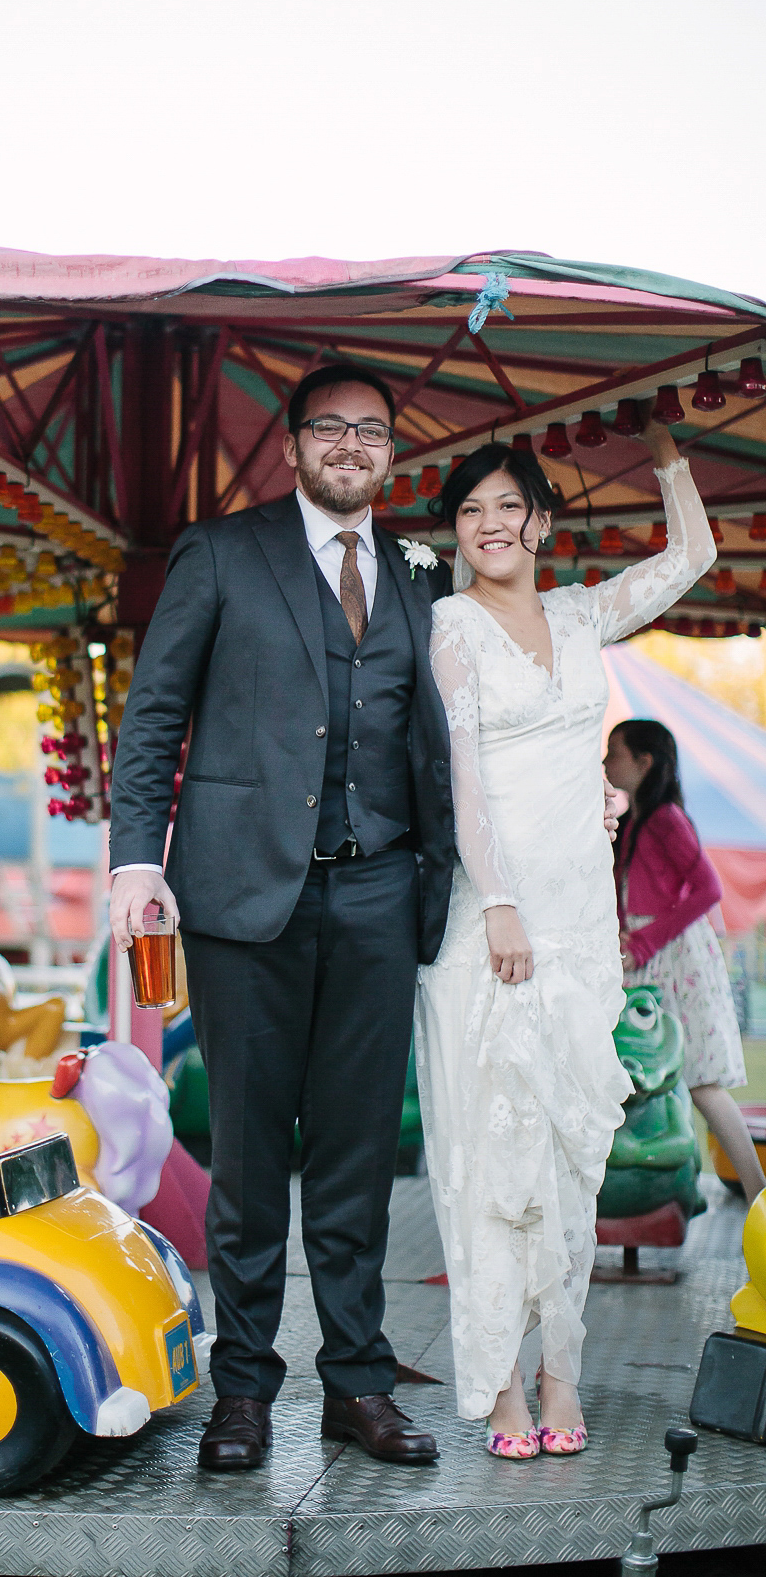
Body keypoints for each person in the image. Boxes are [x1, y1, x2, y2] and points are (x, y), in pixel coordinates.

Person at [107, 364, 455, 1473]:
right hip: (241, 895)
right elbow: (156, 709)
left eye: (372, 432)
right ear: (293, 446)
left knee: (356, 1160)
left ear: (390, 457)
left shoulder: (419, 571)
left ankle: (356, 1384)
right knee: (251, 1164)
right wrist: (131, 862)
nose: (352, 445)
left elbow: (450, 728)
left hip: (379, 896)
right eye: (331, 428)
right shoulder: (222, 551)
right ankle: (242, 1395)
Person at [414, 416, 716, 1460]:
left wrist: (668, 454)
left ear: (541, 521)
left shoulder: (586, 616)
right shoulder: (452, 623)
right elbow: (462, 773)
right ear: (461, 532)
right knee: (491, 1155)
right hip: (493, 917)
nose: (491, 524)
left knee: (571, 1160)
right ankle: (499, 1388)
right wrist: (495, 898)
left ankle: (560, 1374)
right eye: (472, 510)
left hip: (586, 924)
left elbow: (691, 557)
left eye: (509, 506)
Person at [604, 718, 763, 1205]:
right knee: (650, 1077)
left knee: (700, 1081)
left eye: (615, 754)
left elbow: (708, 890)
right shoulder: (635, 822)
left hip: (674, 958)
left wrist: (646, 939)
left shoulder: (667, 818)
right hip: (646, 957)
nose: (606, 763)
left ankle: (759, 1196)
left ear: (645, 762)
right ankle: (662, 1192)